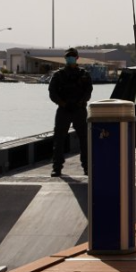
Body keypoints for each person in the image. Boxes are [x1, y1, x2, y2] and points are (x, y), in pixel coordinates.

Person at [49, 47, 93, 177]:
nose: (70, 58)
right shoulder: (58, 75)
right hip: (64, 110)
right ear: (65, 58)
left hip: (79, 110)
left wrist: (81, 102)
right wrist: (62, 103)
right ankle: (57, 168)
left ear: (77, 58)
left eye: (73, 56)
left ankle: (87, 167)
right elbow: (52, 92)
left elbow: (88, 91)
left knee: (84, 140)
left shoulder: (84, 74)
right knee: (59, 140)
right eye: (68, 57)